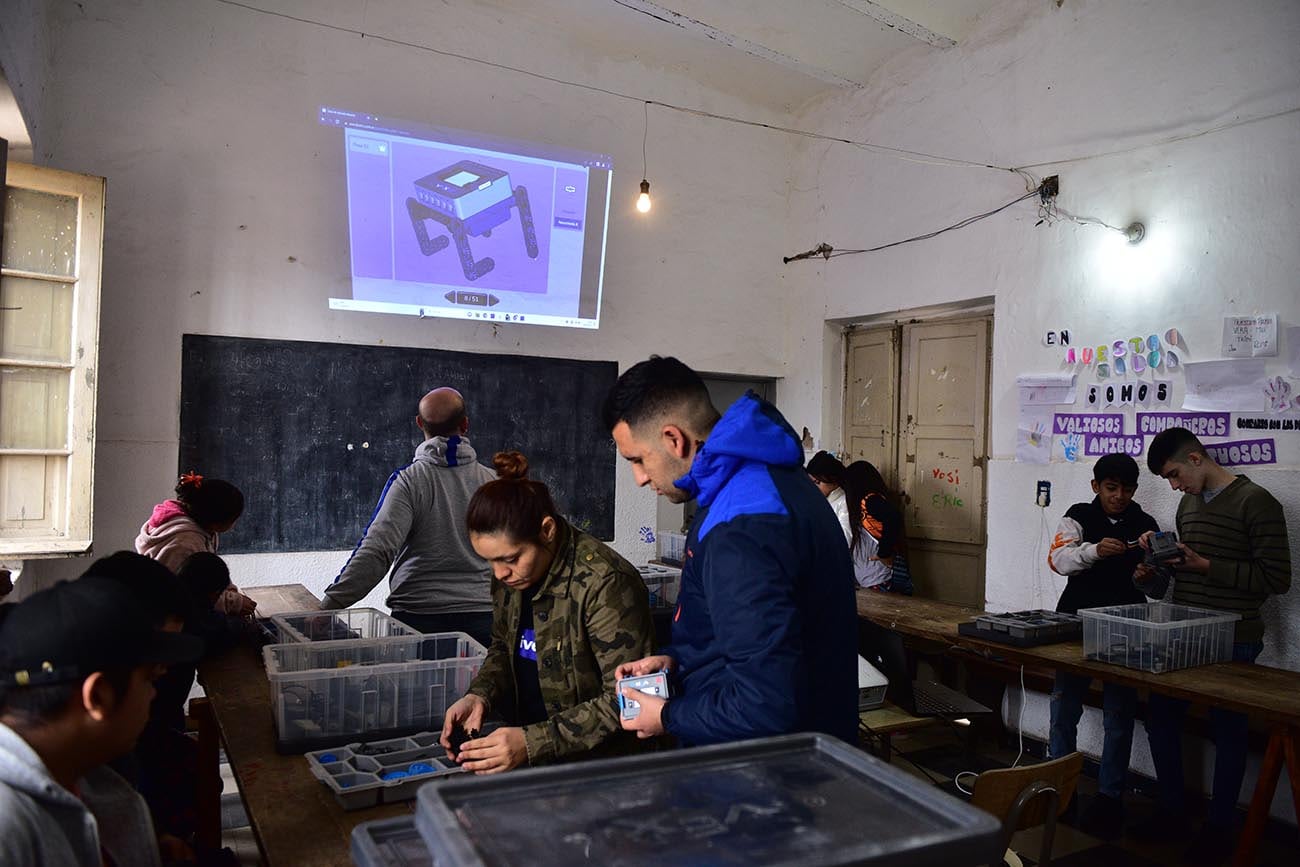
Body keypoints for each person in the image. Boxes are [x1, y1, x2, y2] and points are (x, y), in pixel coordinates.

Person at [604, 356, 858, 746]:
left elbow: (767, 704)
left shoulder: (740, 526)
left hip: (770, 778)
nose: (639, 478)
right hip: (805, 756)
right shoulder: (770, 483)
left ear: (674, 439)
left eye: (638, 460)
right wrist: (678, 661)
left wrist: (668, 715)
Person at [439, 451, 655, 773]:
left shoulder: (605, 583)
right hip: (530, 763)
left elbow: (628, 699)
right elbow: (502, 648)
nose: (499, 574)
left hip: (599, 771)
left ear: (547, 530)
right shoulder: (510, 577)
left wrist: (531, 743)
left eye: (510, 559)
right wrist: (479, 696)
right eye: (490, 561)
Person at [1133, 427, 1291, 863]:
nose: (1175, 485)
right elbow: (1183, 574)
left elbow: (1277, 580)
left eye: (1174, 473)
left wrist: (1206, 565)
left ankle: (1221, 827)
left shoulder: (1256, 502)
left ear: (1197, 458)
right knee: (1160, 718)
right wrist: (1153, 574)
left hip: (1235, 637)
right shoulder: (1187, 505)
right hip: (1186, 633)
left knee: (1230, 732)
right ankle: (1172, 812)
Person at [0, 575, 202, 867]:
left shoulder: (77, 770)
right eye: (149, 680)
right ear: (99, 697)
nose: (153, 694)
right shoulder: (9, 833)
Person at [321, 388, 497, 648]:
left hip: (418, 621)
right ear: (465, 424)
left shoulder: (408, 481)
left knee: (416, 691)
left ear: (418, 423)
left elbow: (377, 551)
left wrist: (328, 606)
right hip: (484, 620)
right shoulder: (494, 483)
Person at [1044, 453, 1160, 838]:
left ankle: (1110, 797)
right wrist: (1094, 551)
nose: (1119, 496)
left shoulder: (1145, 526)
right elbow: (1059, 560)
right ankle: (1060, 791)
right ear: (1096, 487)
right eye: (1112, 489)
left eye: (1127, 489)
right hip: (1074, 624)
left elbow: (1157, 587)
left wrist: (1145, 575)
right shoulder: (1077, 515)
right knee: (1064, 707)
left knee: (1119, 715)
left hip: (1126, 627)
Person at [135, 472, 255, 617]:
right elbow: (185, 591)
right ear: (217, 522)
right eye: (234, 519)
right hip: (166, 615)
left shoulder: (201, 526)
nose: (235, 524)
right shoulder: (184, 543)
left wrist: (233, 596)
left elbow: (210, 576)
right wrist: (232, 603)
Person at [841, 460, 914, 595]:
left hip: (879, 577)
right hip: (871, 577)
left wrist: (883, 553)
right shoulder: (866, 503)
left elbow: (893, 517)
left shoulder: (869, 501)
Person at [807, 450, 851, 545]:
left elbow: (844, 540)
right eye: (811, 483)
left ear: (834, 480)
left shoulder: (845, 503)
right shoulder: (819, 501)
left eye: (818, 482)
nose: (814, 487)